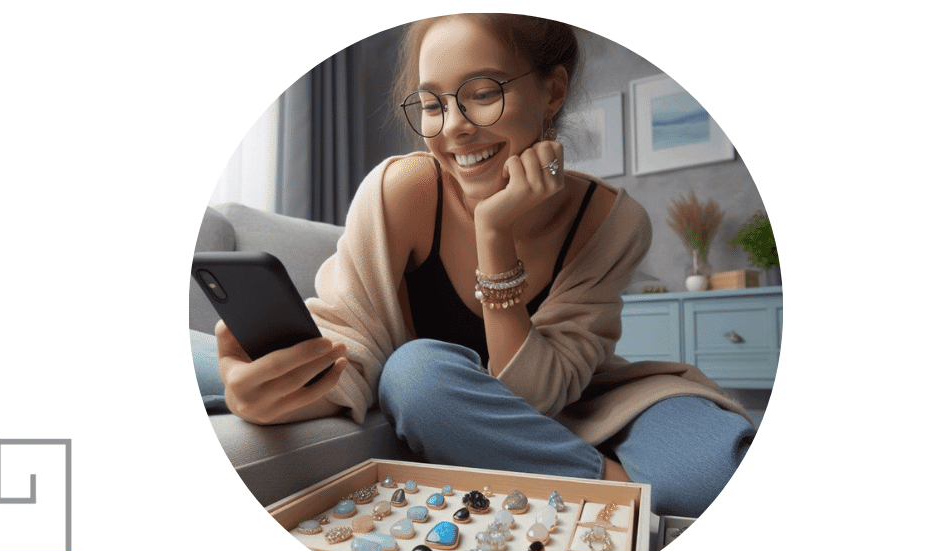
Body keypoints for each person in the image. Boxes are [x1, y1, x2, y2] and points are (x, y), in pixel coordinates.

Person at [215, 13, 756, 517]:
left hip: (589, 403)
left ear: (552, 91)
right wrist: (272, 387)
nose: (454, 127)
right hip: (448, 399)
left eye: (481, 94)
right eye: (432, 104)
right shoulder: (403, 191)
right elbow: (351, 345)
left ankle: (590, 487)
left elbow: (537, 397)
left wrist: (493, 233)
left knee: (713, 474)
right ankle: (612, 494)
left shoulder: (610, 220)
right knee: (414, 373)